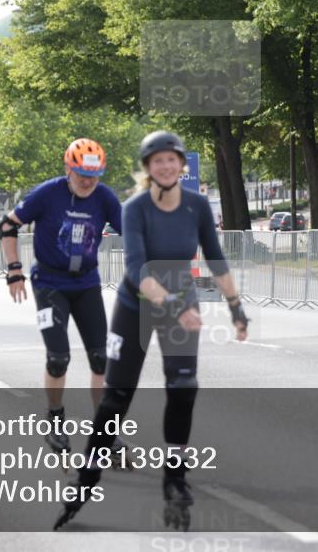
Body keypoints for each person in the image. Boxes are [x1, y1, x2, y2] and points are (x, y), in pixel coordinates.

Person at [54, 131, 250, 531]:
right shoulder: (135, 208)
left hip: (181, 301)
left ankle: (174, 475)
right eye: (157, 161)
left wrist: (235, 306)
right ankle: (87, 474)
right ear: (148, 168)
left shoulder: (195, 206)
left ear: (181, 165)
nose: (165, 166)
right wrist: (177, 306)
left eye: (171, 160)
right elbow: (138, 269)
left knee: (183, 386)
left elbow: (215, 257)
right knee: (117, 397)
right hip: (136, 307)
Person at [0, 138, 123, 459]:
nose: (87, 182)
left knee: (100, 358)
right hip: (49, 285)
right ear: (68, 168)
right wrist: (14, 270)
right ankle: (55, 421)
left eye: (93, 176)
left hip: (86, 284)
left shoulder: (105, 197)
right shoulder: (48, 194)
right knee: (58, 359)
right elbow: (8, 225)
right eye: (81, 174)